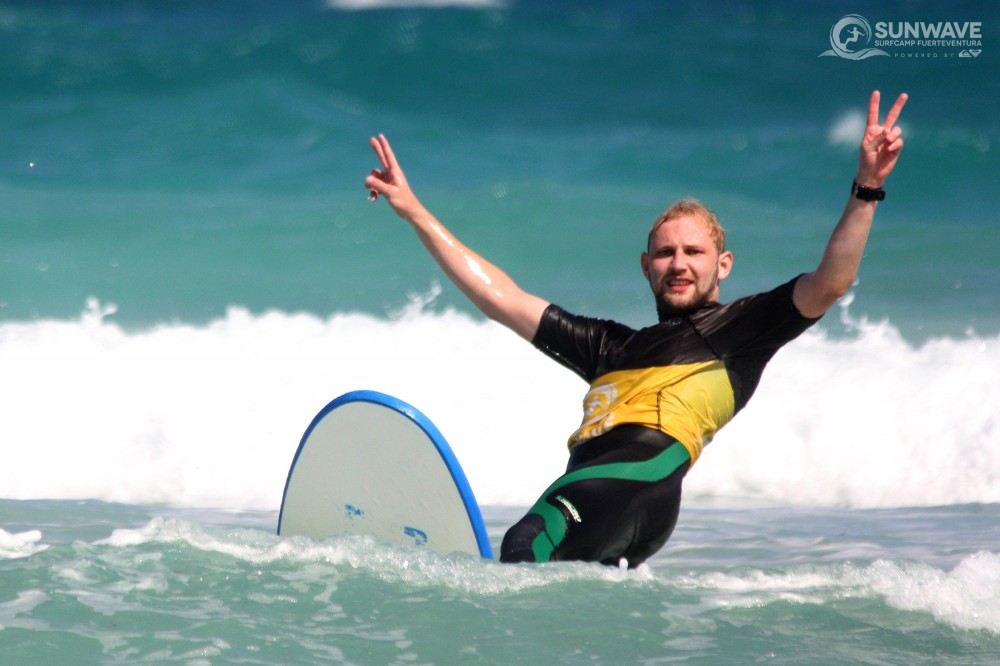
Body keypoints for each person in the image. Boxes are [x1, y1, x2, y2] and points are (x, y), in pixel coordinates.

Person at [364, 90, 908, 568]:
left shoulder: (739, 328)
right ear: (645, 265)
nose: (678, 263)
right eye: (665, 253)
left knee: (526, 543)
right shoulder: (609, 346)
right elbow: (499, 296)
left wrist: (866, 189)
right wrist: (414, 211)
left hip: (634, 477)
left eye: (694, 252)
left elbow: (830, 282)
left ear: (723, 265)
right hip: (629, 505)